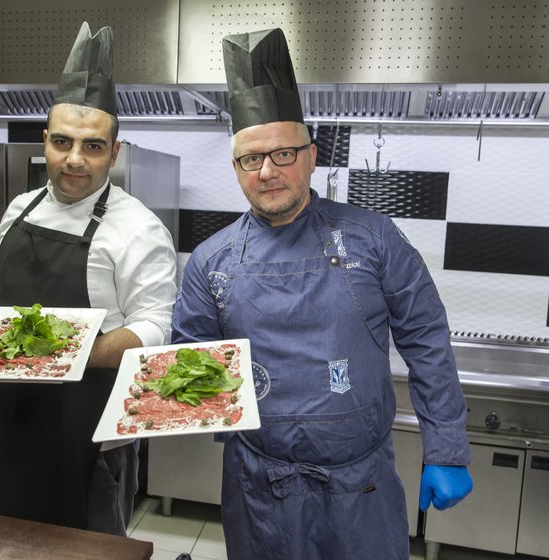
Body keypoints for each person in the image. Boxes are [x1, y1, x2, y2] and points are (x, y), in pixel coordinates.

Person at [171, 28, 473, 559]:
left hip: (361, 488)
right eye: (250, 159)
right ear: (236, 167)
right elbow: (192, 364)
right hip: (257, 488)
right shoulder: (210, 261)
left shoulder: (375, 238)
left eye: (283, 153)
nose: (268, 172)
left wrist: (445, 447)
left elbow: (426, 338)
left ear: (312, 156)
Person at [0, 22, 177, 535]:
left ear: (114, 151)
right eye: (63, 142)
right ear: (45, 140)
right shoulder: (19, 210)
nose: (74, 159)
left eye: (92, 147)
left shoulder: (137, 228)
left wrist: (74, 353)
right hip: (4, 427)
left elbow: (156, 327)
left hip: (87, 437)